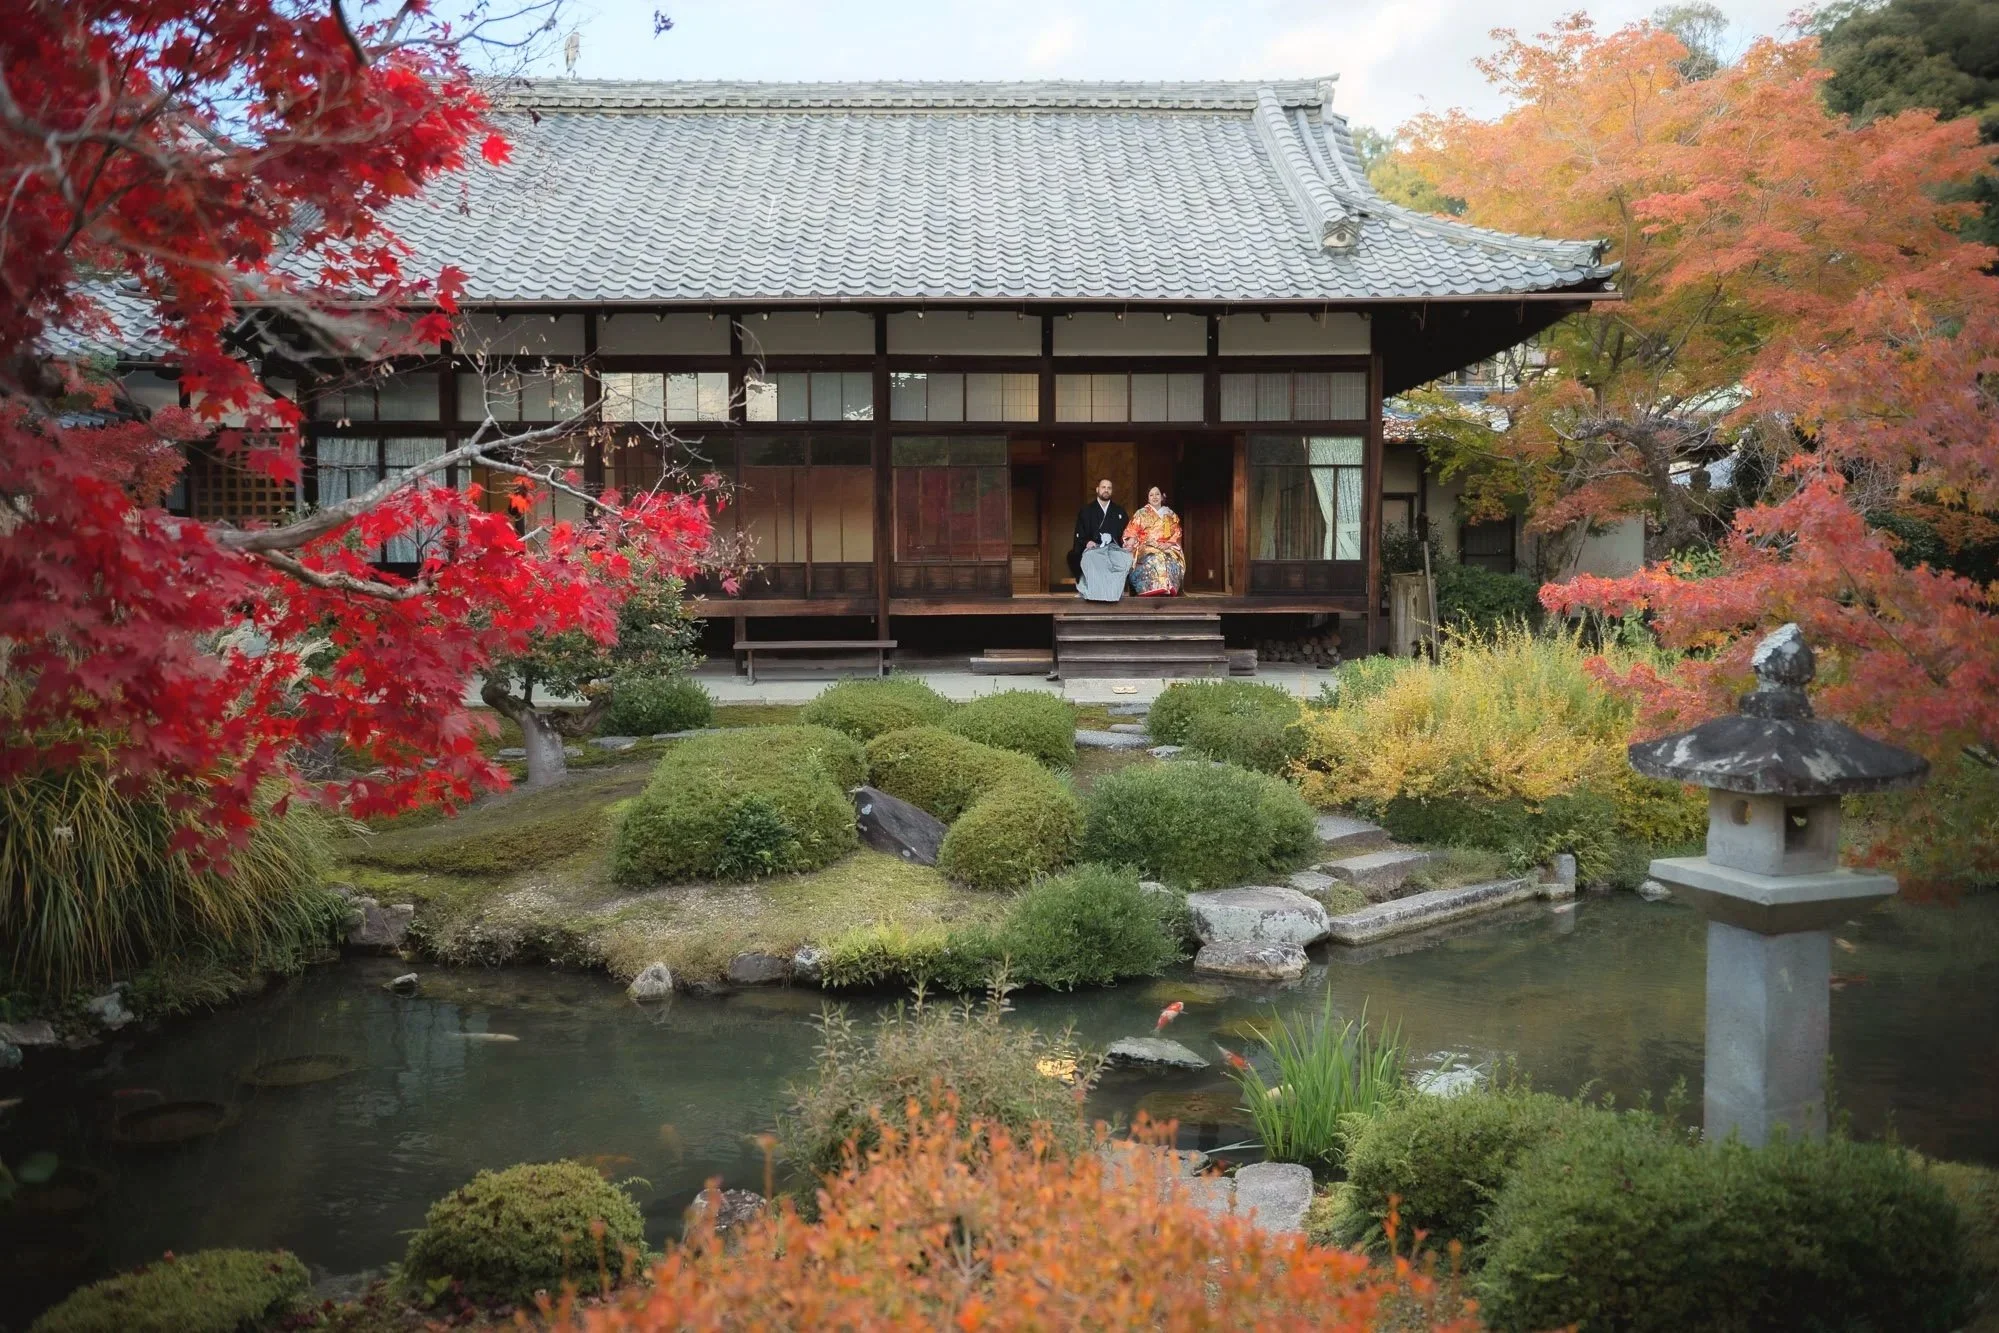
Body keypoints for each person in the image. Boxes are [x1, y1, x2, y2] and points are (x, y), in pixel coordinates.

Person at [1070, 478, 1132, 602]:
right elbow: (1079, 534)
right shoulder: (1086, 511)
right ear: (1098, 489)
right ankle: (1091, 592)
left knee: (1126, 558)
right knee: (1089, 557)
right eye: (1103, 487)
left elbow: (1127, 533)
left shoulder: (1119, 511)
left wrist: (1127, 543)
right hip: (1094, 550)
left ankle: (1115, 592)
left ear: (1112, 491)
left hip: (1113, 549)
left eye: (1109, 488)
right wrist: (1087, 542)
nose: (1106, 490)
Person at [1124, 486, 1185, 596]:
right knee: (1155, 558)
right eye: (1151, 495)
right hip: (1146, 546)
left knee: (1168, 558)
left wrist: (1167, 544)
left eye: (1157, 494)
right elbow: (1132, 531)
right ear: (1148, 499)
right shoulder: (1140, 513)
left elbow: (1177, 532)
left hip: (1167, 547)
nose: (1154, 497)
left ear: (1162, 497)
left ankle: (1168, 587)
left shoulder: (1170, 515)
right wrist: (1131, 541)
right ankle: (1152, 588)